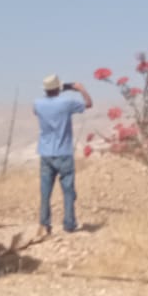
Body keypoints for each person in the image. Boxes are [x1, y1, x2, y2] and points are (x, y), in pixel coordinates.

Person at [33, 74, 91, 235]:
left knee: (45, 191)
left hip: (45, 152)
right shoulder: (67, 103)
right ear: (59, 88)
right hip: (64, 152)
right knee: (68, 191)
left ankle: (44, 223)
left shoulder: (37, 103)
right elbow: (88, 104)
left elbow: (37, 110)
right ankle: (69, 224)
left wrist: (57, 90)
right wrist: (80, 89)